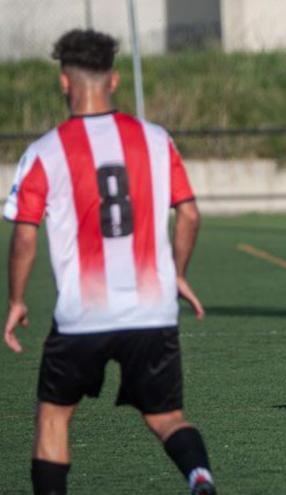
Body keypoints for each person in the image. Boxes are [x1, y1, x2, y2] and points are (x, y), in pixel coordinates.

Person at [3, 29, 216, 495]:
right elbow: (191, 214)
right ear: (115, 80)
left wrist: (16, 300)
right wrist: (177, 274)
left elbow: (24, 236)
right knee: (165, 416)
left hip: (83, 315)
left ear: (64, 82)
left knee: (54, 418)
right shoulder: (158, 141)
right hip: (152, 309)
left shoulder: (44, 151)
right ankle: (199, 476)